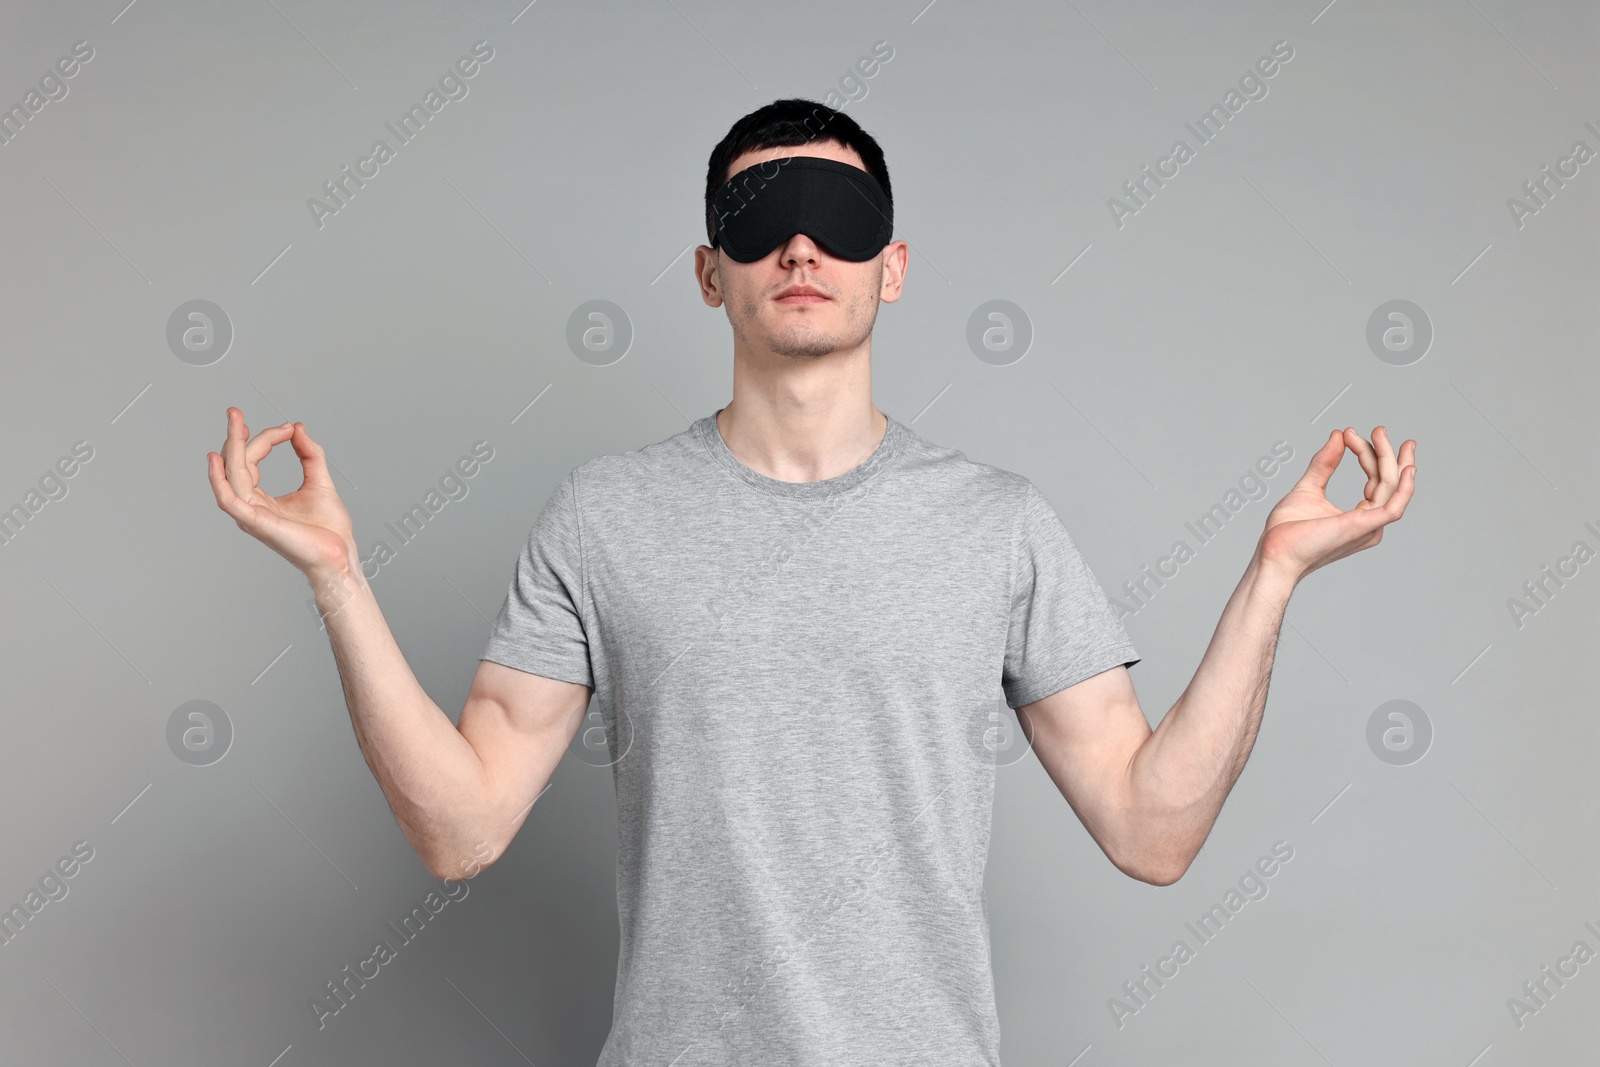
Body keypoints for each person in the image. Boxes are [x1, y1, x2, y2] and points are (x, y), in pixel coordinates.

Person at [206, 98, 1417, 1066]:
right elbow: (460, 826)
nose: (799, 244)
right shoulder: (606, 514)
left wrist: (1270, 577)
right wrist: (338, 580)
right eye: (760, 216)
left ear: (891, 267)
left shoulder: (994, 524)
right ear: (707, 270)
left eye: (838, 218)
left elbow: (1153, 829)